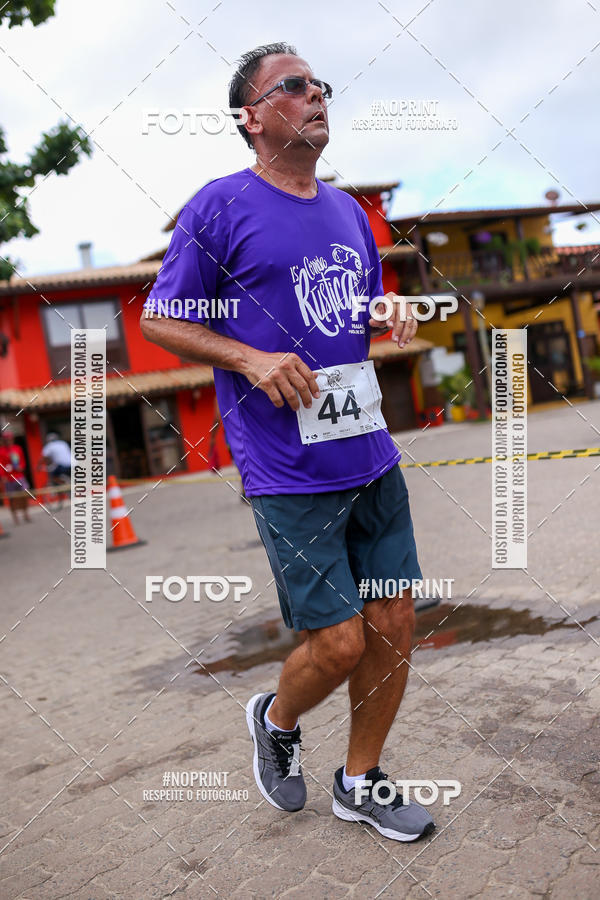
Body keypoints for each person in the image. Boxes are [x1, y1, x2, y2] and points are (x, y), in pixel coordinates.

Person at [140, 42, 434, 842]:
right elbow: (159, 317)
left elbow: (360, 306)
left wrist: (388, 312)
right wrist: (249, 356)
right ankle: (275, 717)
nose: (315, 96)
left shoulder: (346, 211)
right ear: (252, 116)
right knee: (336, 644)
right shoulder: (219, 206)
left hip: (369, 453)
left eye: (319, 85)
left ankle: (360, 780)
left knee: (394, 623)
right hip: (286, 470)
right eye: (293, 86)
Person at [0, 428, 31, 524]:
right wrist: (2, 476)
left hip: (19, 476)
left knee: (25, 494)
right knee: (12, 498)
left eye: (9, 439)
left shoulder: (17, 448)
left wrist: (21, 467)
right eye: (6, 439)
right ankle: (15, 518)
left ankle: (26, 514)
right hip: (9, 478)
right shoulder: (1, 451)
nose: (8, 441)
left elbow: (22, 461)